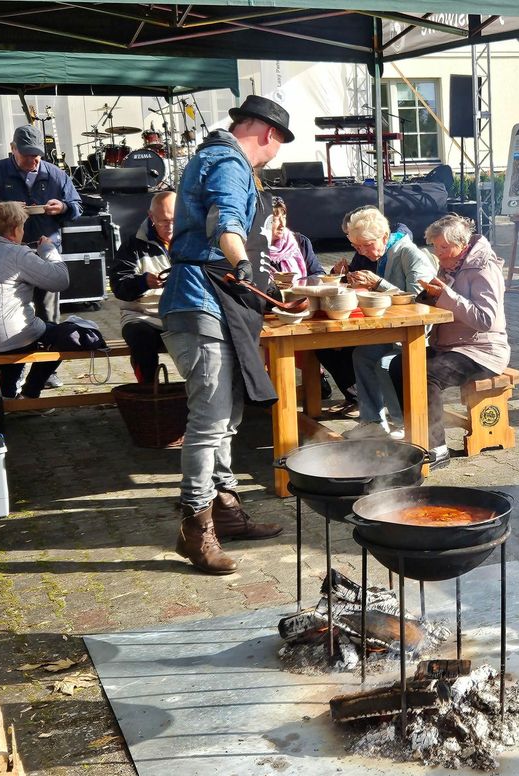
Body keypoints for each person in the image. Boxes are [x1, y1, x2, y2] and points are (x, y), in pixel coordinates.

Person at [158, 95, 291, 575]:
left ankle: (227, 509)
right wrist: (243, 263)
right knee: (210, 419)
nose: (273, 155)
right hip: (198, 301)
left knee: (228, 415)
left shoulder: (215, 157)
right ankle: (195, 529)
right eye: (277, 146)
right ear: (267, 134)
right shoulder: (227, 162)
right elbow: (226, 223)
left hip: (215, 303)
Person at [388, 214, 508, 469]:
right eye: (435, 246)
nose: (438, 253)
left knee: (427, 374)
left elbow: (485, 319)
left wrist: (446, 295)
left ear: (462, 243)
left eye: (443, 247)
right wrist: (428, 297)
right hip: (451, 346)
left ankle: (437, 449)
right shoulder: (452, 263)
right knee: (400, 364)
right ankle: (416, 435)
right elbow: (448, 303)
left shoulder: (484, 267)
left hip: (483, 351)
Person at [0, 124, 83, 388]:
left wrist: (64, 207)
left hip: (45, 246)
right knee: (13, 312)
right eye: (26, 155)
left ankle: (46, 370)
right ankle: (11, 378)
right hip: (6, 251)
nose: (33, 160)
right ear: (12, 150)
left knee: (47, 311)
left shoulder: (56, 174)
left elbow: (78, 205)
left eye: (37, 155)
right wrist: (6, 211)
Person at [340, 206, 437, 437]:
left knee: (384, 363)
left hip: (417, 335)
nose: (362, 252)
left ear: (384, 236)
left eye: (366, 245)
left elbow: (419, 303)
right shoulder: (383, 254)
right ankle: (372, 422)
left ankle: (404, 424)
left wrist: (378, 285)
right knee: (361, 355)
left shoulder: (410, 254)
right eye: (357, 247)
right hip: (393, 330)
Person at [269, 195, 360, 410]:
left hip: (305, 309)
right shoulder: (252, 248)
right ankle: (280, 402)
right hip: (273, 313)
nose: (281, 224)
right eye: (274, 219)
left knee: (328, 343)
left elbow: (316, 273)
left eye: (284, 216)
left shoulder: (299, 241)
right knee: (276, 349)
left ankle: (347, 394)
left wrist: (313, 280)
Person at [0, 201, 68, 398]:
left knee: (20, 329)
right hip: (5, 339)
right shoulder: (17, 253)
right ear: (15, 229)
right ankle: (29, 394)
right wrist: (49, 251)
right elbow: (60, 280)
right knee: (60, 335)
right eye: (23, 227)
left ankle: (8, 393)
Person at [109, 191, 174, 384]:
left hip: (181, 313)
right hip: (142, 315)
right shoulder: (133, 245)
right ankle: (148, 391)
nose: (170, 227)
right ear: (151, 217)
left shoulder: (192, 240)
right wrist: (143, 282)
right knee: (140, 337)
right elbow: (119, 286)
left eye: (175, 220)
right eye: (163, 222)